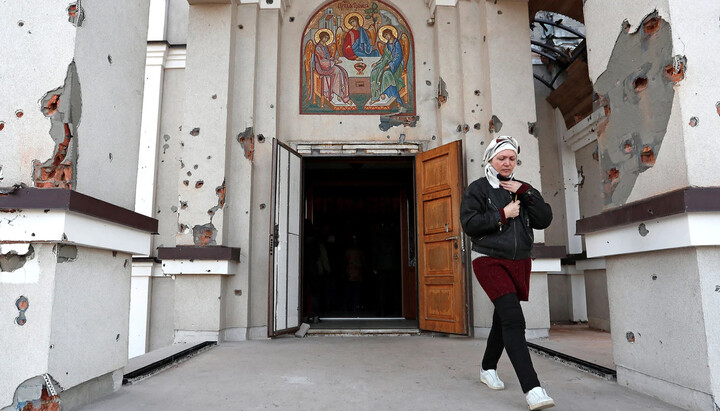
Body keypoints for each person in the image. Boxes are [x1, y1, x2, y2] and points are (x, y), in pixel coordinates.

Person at [460, 136, 555, 410]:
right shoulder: (478, 189)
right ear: (490, 158)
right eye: (501, 158)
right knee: (513, 319)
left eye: (512, 158)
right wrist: (503, 213)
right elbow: (470, 223)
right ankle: (533, 389)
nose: (507, 163)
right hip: (489, 259)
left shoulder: (522, 189)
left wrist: (526, 192)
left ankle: (488, 368)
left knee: (503, 318)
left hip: (519, 262)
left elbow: (544, 219)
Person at [314, 30, 352, 105]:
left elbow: (327, 58)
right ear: (321, 37)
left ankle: (341, 92)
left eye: (327, 38)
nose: (326, 39)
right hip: (321, 67)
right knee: (337, 71)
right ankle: (340, 94)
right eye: (325, 38)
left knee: (343, 71)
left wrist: (334, 59)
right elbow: (322, 61)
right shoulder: (318, 47)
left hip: (327, 65)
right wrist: (333, 62)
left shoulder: (324, 46)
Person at [369, 28, 404, 105]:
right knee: (375, 72)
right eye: (385, 36)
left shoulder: (396, 43)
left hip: (396, 66)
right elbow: (384, 57)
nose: (386, 37)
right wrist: (377, 63)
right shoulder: (388, 44)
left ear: (390, 33)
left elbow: (399, 57)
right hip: (387, 63)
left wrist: (389, 66)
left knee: (386, 74)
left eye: (387, 34)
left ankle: (396, 97)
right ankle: (375, 96)